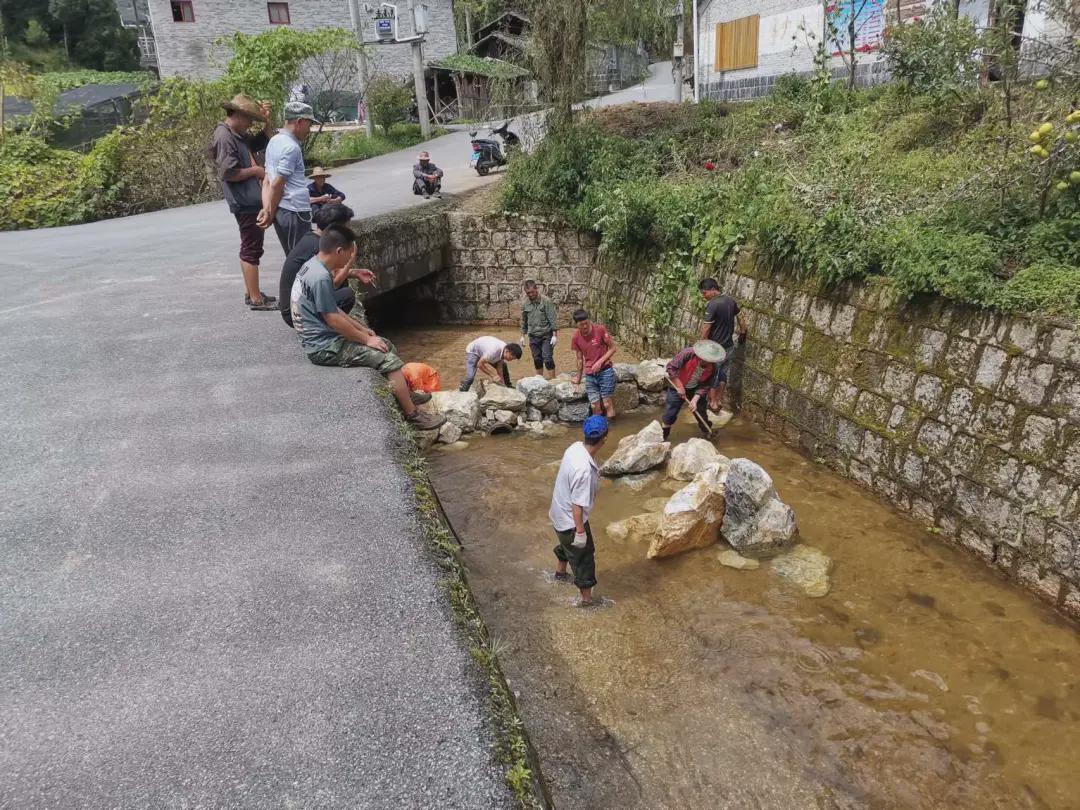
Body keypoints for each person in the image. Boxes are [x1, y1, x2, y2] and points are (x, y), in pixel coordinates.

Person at [290, 224, 445, 431]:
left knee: (385, 344)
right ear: (339, 251)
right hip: (324, 348)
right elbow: (332, 319)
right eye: (350, 253)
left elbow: (332, 309)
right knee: (388, 359)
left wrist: (363, 330)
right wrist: (366, 340)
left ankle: (406, 394)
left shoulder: (313, 265)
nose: (351, 258)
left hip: (322, 338)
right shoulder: (319, 277)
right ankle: (413, 416)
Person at [207, 94, 277, 310]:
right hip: (245, 201)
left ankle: (251, 292)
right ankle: (256, 299)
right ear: (236, 114)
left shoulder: (236, 134)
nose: (249, 124)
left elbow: (258, 142)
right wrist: (257, 171)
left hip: (249, 200)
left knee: (251, 245)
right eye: (248, 119)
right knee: (251, 247)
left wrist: (267, 122)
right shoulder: (225, 136)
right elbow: (229, 172)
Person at [278, 203, 373, 328]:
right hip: (294, 313)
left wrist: (354, 273)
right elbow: (333, 284)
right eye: (347, 227)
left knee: (343, 283)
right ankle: (328, 329)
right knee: (347, 295)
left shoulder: (312, 238)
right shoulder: (319, 249)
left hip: (292, 306)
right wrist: (350, 262)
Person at [549, 415, 609, 608]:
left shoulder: (574, 448)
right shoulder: (583, 470)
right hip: (571, 520)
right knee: (584, 558)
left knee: (567, 546)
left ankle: (560, 574)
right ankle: (587, 602)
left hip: (558, 512)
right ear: (604, 439)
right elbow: (577, 506)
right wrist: (581, 532)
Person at [259, 101, 318, 254]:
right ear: (299, 122)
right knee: (302, 260)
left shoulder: (274, 141)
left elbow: (267, 180)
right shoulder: (291, 147)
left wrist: (268, 210)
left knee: (292, 257)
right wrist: (269, 211)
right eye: (309, 125)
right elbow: (277, 184)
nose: (309, 130)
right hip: (295, 211)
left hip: (282, 211)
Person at [698, 277, 748, 411]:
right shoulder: (730, 301)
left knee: (714, 374)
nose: (704, 296)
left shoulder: (712, 304)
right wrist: (743, 332)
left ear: (713, 289)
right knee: (723, 374)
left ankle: (713, 403)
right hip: (729, 346)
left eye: (704, 293)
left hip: (715, 348)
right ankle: (719, 401)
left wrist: (702, 347)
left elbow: (706, 328)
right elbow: (741, 316)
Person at [662, 340, 726, 441]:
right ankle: (663, 437)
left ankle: (708, 432)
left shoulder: (714, 368)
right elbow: (671, 368)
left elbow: (706, 385)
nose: (705, 362)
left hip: (695, 388)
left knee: (700, 412)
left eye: (709, 361)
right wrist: (680, 387)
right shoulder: (688, 353)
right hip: (677, 385)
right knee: (671, 412)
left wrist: (695, 400)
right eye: (704, 359)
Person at [571, 309, 618, 419]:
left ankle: (612, 429)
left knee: (607, 404)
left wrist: (600, 362)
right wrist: (578, 378)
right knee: (594, 407)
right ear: (576, 324)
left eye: (586, 323)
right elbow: (579, 359)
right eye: (581, 325)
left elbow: (613, 348)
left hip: (605, 371)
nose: (585, 326)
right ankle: (599, 430)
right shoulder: (575, 337)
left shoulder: (600, 329)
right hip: (590, 375)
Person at [519, 280, 558, 380]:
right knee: (537, 358)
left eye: (532, 292)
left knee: (547, 357)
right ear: (525, 292)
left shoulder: (546, 301)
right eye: (528, 293)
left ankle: (553, 380)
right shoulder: (525, 304)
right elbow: (524, 321)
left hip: (546, 335)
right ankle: (539, 380)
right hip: (533, 336)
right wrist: (522, 336)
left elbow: (552, 318)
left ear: (536, 289)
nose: (531, 294)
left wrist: (554, 335)